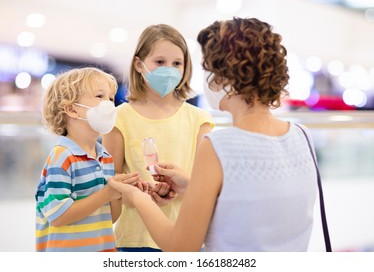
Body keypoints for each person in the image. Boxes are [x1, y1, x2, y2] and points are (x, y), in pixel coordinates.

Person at [109, 17, 319, 252]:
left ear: (222, 77)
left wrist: (138, 198)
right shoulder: (303, 137)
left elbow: (181, 248)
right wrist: (191, 185)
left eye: (208, 68)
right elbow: (246, 203)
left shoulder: (219, 146)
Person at [102, 24, 214, 252]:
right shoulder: (119, 118)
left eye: (177, 63)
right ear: (138, 64)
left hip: (188, 237)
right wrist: (138, 195)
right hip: (134, 240)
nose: (169, 69)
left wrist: (183, 187)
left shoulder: (200, 120)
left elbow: (206, 187)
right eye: (160, 62)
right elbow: (110, 186)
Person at [35, 67, 140, 252]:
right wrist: (107, 193)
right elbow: (58, 216)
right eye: (100, 96)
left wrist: (120, 192)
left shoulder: (105, 157)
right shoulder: (62, 156)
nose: (108, 104)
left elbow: (110, 217)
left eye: (110, 98)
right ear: (71, 109)